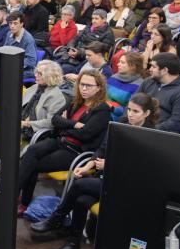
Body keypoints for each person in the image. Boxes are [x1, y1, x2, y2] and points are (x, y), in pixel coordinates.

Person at [31, 93, 158, 249]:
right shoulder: (121, 123)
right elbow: (102, 149)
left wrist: (110, 164)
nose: (130, 115)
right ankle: (73, 242)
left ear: (147, 114)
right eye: (129, 110)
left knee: (79, 185)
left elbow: (141, 169)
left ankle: (56, 218)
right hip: (108, 178)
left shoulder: (152, 136)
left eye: (136, 111)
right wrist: (86, 167)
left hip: (129, 186)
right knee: (81, 200)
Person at [18, 70, 111, 213]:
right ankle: (16, 196)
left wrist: (65, 124)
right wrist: (73, 124)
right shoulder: (76, 102)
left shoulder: (102, 110)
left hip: (74, 151)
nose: (84, 88)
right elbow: (55, 119)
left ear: (99, 88)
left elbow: (85, 135)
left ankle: (20, 200)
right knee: (31, 151)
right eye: (81, 84)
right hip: (60, 141)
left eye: (89, 85)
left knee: (33, 164)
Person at [0, 60, 66, 174]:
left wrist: (27, 123)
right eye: (36, 72)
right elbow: (21, 106)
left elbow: (51, 122)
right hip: (21, 123)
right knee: (0, 130)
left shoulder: (57, 97)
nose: (35, 75)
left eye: (40, 74)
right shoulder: (34, 88)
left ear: (50, 76)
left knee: (2, 136)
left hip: (37, 131)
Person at [137, 53, 180, 133]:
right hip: (140, 128)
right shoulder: (149, 82)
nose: (150, 69)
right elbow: (133, 102)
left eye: (153, 67)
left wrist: (150, 130)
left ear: (165, 70)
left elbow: (177, 124)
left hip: (163, 136)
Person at [107, 52, 145, 119]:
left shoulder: (139, 85)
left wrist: (113, 108)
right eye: (119, 61)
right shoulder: (113, 78)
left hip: (119, 119)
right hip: (103, 111)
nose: (118, 64)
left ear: (133, 66)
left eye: (122, 62)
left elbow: (133, 111)